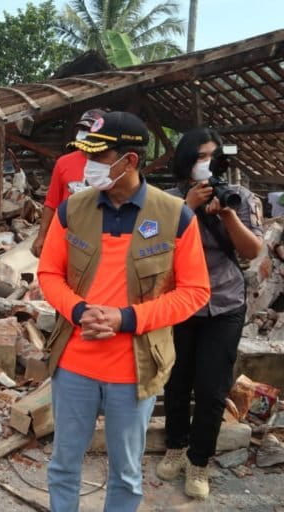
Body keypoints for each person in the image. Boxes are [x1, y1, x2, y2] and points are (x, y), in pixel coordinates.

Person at [37, 111, 211, 512]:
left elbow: (195, 292)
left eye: (98, 158)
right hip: (75, 366)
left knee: (127, 473)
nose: (88, 167)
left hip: (134, 370)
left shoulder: (174, 216)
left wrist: (125, 319)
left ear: (129, 161)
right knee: (64, 465)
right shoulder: (73, 210)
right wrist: (78, 311)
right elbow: (48, 273)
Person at [158, 128, 263, 499]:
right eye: (200, 157)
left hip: (225, 302)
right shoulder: (168, 200)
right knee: (177, 379)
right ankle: (175, 445)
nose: (207, 164)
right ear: (186, 161)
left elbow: (252, 251)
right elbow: (153, 249)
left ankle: (199, 463)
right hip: (181, 301)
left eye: (213, 157)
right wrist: (186, 208)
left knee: (212, 388)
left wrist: (229, 216)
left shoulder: (240, 197)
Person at [31, 108, 106, 257]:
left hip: (99, 239)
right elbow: (51, 203)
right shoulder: (64, 163)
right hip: (66, 236)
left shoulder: (111, 165)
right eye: (82, 129)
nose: (84, 133)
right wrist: (41, 237)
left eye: (89, 129)